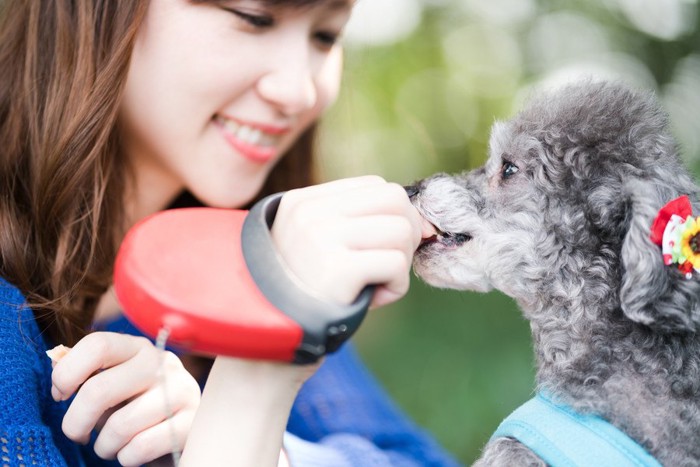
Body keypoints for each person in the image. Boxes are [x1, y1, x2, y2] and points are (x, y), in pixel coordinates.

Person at [0, 1, 461, 466]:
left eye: (325, 36)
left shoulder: (252, 261)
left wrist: (235, 437)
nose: (299, 91)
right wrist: (254, 384)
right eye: (254, 18)